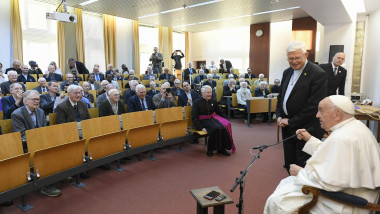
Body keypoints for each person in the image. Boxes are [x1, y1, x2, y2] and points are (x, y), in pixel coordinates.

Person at [264, 95, 380, 214]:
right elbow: (334, 153)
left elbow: (331, 184)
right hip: (352, 192)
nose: (317, 115)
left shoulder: (343, 137)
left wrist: (301, 173)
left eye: (321, 111)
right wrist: (310, 140)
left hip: (345, 203)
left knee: (277, 202)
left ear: (337, 114)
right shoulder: (353, 127)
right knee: (286, 184)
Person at [276, 41, 327, 173]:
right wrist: (279, 115)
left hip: (306, 128)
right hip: (287, 127)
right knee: (290, 163)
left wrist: (291, 121)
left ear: (306, 55)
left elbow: (313, 106)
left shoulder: (317, 73)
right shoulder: (287, 72)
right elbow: (281, 97)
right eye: (290, 58)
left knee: (304, 165)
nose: (294, 62)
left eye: (297, 58)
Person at [11, 90, 62, 197]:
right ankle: (46, 185)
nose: (36, 101)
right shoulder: (17, 114)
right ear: (25, 101)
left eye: (38, 99)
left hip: (40, 141)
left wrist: (45, 141)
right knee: (43, 154)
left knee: (59, 147)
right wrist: (38, 143)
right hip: (26, 145)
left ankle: (59, 175)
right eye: (33, 99)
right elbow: (22, 135)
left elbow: (43, 129)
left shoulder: (40, 111)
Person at [192, 85, 235, 157]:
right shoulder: (197, 102)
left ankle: (222, 149)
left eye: (210, 92)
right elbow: (194, 117)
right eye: (207, 92)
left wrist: (226, 120)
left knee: (223, 128)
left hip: (211, 119)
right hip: (202, 121)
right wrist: (201, 128)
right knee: (215, 129)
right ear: (202, 93)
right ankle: (210, 149)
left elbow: (219, 112)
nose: (209, 94)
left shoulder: (213, 100)